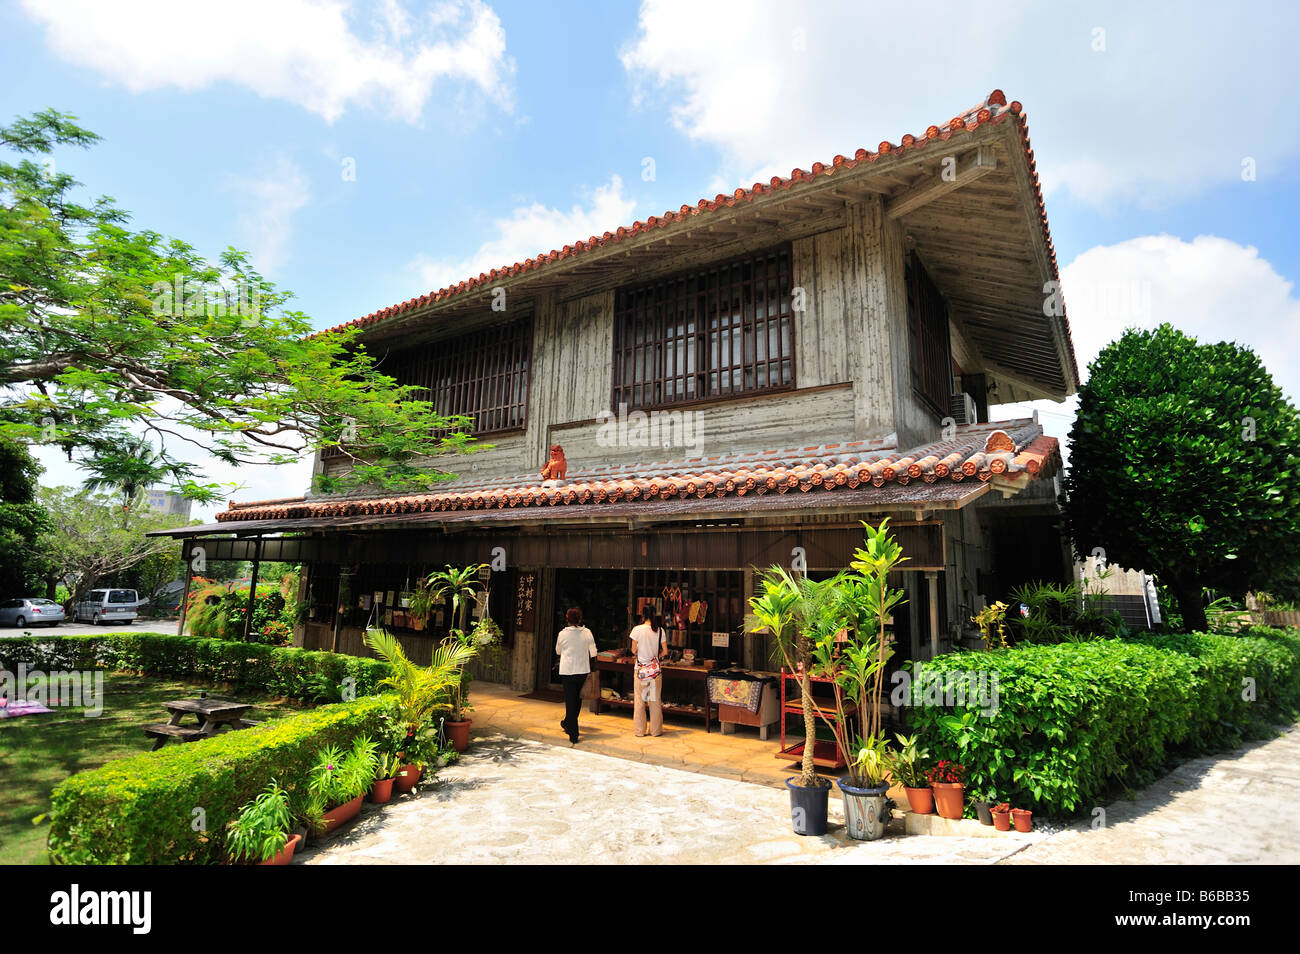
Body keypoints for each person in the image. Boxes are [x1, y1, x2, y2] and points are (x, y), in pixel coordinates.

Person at [556, 606, 597, 744]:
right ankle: (568, 722)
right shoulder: (587, 633)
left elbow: (558, 651)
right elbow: (594, 653)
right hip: (582, 670)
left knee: (570, 700)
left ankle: (573, 733)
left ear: (567, 619)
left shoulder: (563, 634)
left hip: (567, 671)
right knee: (577, 700)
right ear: (580, 619)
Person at [629, 607, 668, 737]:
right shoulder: (660, 631)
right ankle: (656, 731)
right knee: (654, 700)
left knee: (640, 700)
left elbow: (633, 650)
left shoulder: (637, 630)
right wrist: (656, 658)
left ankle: (640, 731)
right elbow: (665, 652)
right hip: (655, 671)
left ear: (643, 615)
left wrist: (641, 649)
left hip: (641, 670)